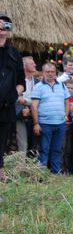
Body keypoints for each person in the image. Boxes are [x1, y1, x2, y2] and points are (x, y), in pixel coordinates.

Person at [31, 63, 69, 173]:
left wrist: (66, 115)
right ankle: (42, 174)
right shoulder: (38, 87)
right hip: (45, 123)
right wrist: (36, 123)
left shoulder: (61, 85)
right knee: (44, 149)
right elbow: (34, 106)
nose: (50, 74)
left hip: (60, 123)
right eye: (48, 72)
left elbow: (67, 101)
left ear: (56, 73)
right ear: (43, 73)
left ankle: (55, 173)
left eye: (52, 71)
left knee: (57, 149)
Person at [0, 12, 24, 178]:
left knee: (2, 140)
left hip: (6, 105)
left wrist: (14, 94)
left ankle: (0, 170)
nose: (2, 28)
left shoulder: (14, 53)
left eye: (5, 25)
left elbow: (21, 81)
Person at [16, 56, 38, 156]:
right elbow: (16, 98)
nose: (35, 65)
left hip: (34, 115)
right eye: (32, 63)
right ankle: (21, 164)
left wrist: (25, 101)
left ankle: (31, 165)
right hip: (20, 115)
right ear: (24, 66)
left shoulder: (38, 82)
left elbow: (39, 100)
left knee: (34, 146)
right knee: (22, 145)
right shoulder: (17, 81)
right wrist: (26, 105)